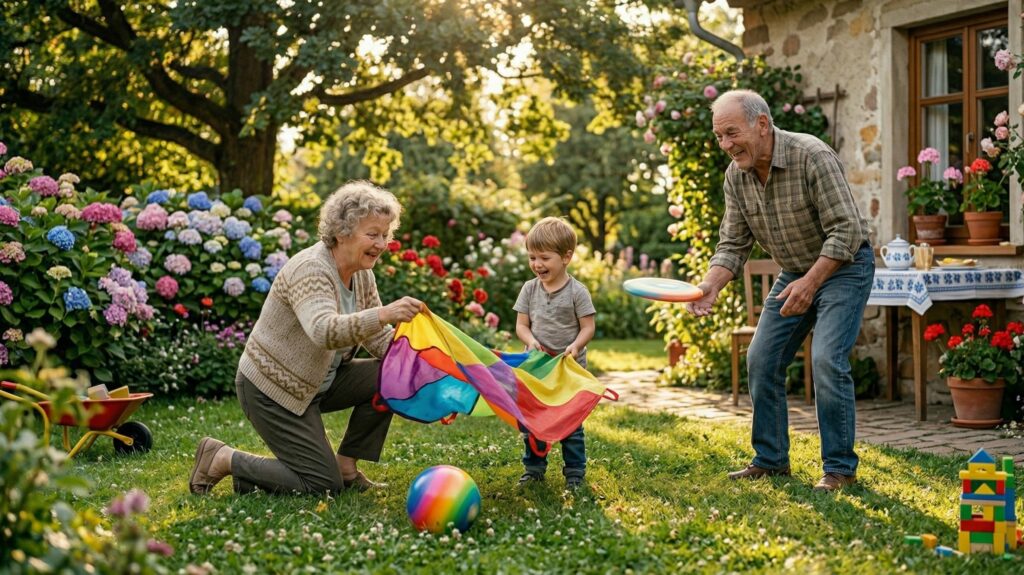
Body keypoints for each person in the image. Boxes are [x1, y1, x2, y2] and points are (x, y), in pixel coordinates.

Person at [686, 89, 874, 492]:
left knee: (826, 358)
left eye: (732, 133)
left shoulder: (812, 156)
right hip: (795, 271)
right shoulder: (736, 176)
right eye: (719, 137)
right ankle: (771, 460)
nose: (726, 145)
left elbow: (847, 230)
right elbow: (732, 243)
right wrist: (709, 287)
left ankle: (839, 468)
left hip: (844, 267)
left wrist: (812, 282)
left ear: (762, 124)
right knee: (761, 358)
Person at [188, 181, 423, 495]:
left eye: (385, 234)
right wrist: (384, 314)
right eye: (372, 234)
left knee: (391, 373)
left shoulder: (361, 273)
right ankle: (224, 458)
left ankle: (346, 467)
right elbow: (323, 330)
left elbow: (378, 338)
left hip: (318, 381)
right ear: (342, 232)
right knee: (322, 485)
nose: (381, 244)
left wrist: (422, 361)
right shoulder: (312, 269)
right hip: (272, 388)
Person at [513, 217, 596, 490]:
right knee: (534, 422)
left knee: (570, 424)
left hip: (568, 371)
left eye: (544, 258)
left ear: (566, 257)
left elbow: (588, 327)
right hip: (537, 369)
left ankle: (574, 473)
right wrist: (531, 341)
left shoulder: (577, 292)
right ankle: (534, 469)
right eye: (532, 257)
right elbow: (521, 326)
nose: (537, 264)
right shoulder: (529, 289)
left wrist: (576, 345)